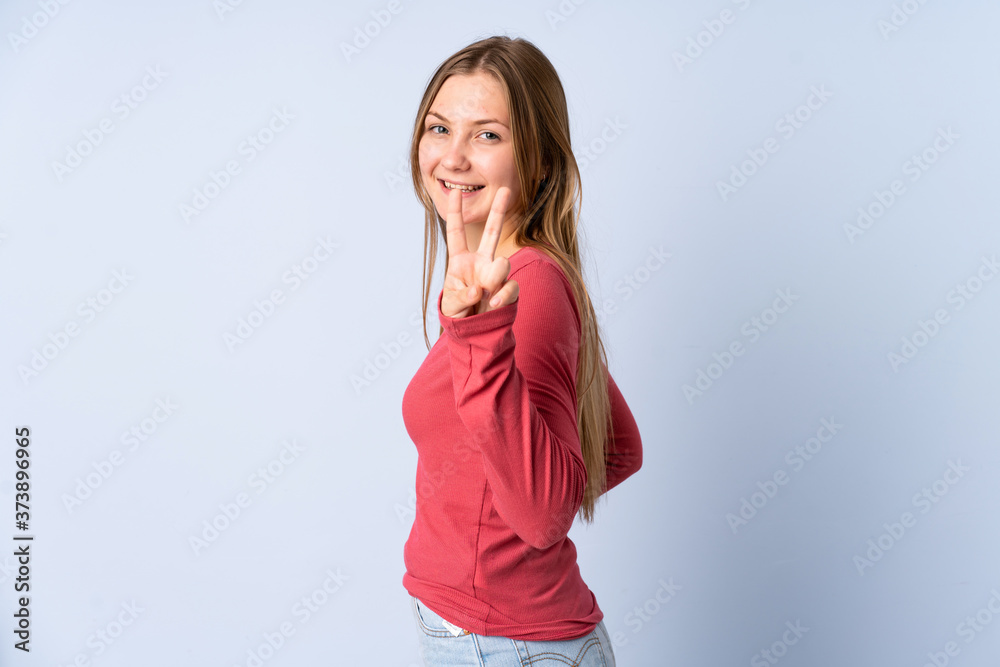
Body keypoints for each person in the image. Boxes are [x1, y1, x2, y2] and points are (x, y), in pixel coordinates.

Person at [400, 35, 643, 666]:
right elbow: (616, 444)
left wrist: (481, 337)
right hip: (498, 638)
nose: (452, 156)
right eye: (439, 128)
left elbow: (541, 518)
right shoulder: (523, 277)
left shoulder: (526, 287)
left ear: (537, 161)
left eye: (487, 135)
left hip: (508, 645)